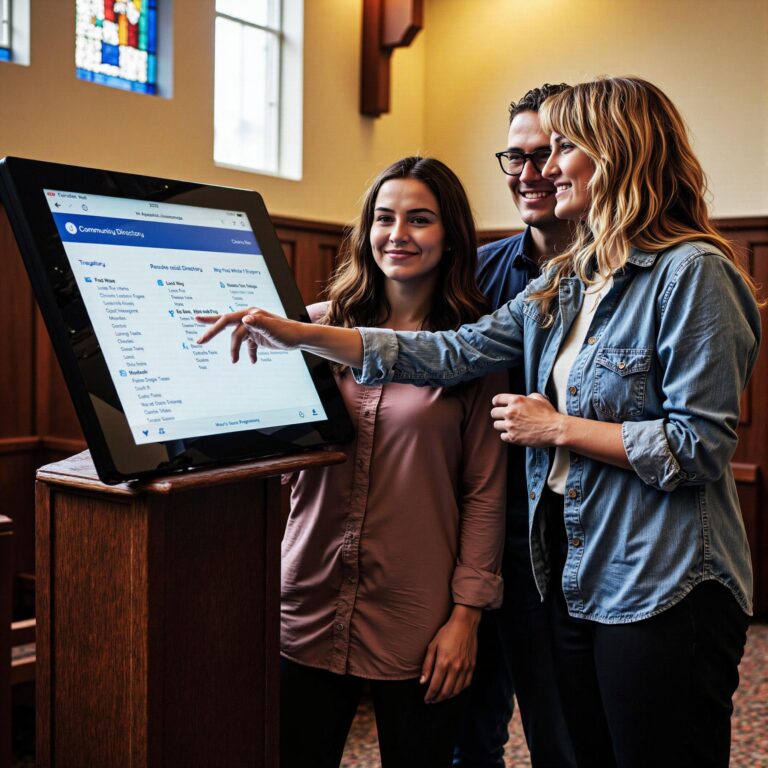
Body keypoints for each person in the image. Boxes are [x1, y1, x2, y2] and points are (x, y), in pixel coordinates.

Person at [198, 77, 763, 768]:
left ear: (618, 152)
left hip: (666, 578)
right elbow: (450, 351)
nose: (546, 169)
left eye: (564, 148)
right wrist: (301, 332)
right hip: (576, 572)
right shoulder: (568, 277)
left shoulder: (694, 272)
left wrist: (558, 428)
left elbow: (699, 446)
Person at [202, 156, 507, 768]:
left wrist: (465, 618)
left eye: (419, 219)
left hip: (419, 612)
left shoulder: (476, 349)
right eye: (384, 218)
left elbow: (485, 490)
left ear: (450, 236)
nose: (398, 234)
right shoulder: (309, 329)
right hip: (307, 595)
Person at [454, 83, 576, 768]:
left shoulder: (623, 274)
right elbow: (423, 346)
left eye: (546, 154)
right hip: (473, 528)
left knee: (563, 736)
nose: (530, 173)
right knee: (467, 735)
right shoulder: (475, 272)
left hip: (565, 542)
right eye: (516, 157)